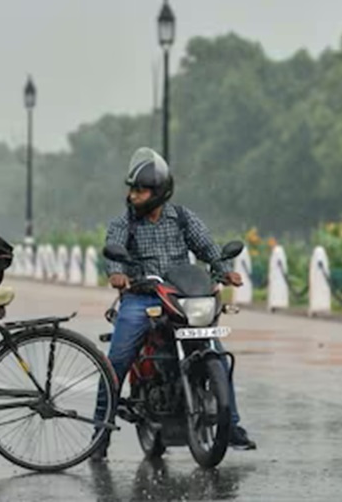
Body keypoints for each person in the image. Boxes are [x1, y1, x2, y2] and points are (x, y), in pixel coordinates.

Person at [93, 147, 257, 461]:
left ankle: (231, 425)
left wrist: (224, 272)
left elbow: (208, 248)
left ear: (158, 193)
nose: (133, 195)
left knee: (217, 355)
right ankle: (100, 431)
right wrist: (116, 274)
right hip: (142, 298)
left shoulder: (182, 218)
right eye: (132, 189)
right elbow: (111, 252)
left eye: (140, 190)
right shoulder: (124, 223)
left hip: (182, 298)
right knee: (115, 364)